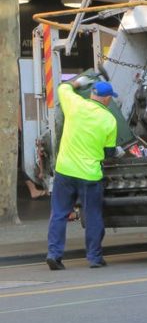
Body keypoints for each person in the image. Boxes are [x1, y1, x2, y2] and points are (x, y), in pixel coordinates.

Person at [46, 78, 119, 270]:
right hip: (89, 175)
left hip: (65, 170)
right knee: (93, 215)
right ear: (107, 99)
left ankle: (54, 255)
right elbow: (109, 153)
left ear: (92, 93)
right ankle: (94, 258)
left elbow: (63, 87)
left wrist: (78, 82)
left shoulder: (75, 104)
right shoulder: (109, 120)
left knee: (59, 214)